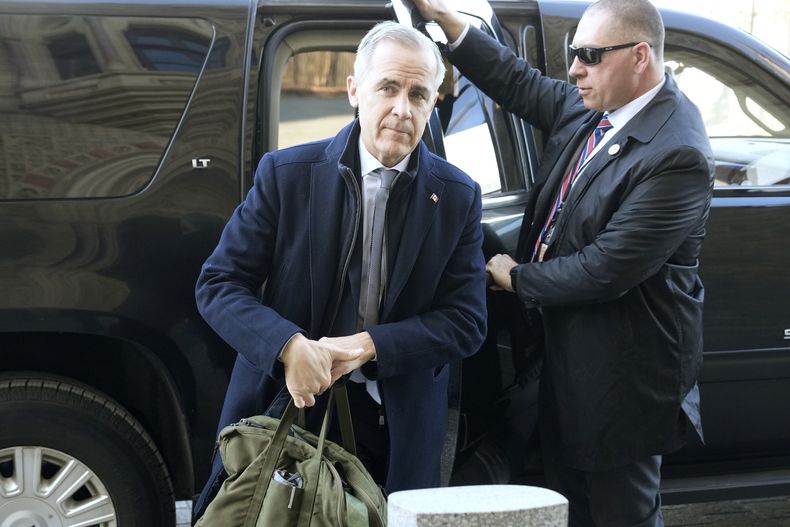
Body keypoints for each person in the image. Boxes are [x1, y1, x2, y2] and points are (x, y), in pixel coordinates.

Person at [412, 0, 714, 525]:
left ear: (640, 56)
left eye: (590, 56)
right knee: (567, 506)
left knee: (620, 515)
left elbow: (604, 269)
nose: (574, 69)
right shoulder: (600, 102)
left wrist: (516, 277)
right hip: (564, 364)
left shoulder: (678, 154)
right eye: (575, 53)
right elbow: (520, 83)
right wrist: (447, 20)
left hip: (623, 386)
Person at [192, 20, 487, 517]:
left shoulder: (457, 196)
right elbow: (219, 284)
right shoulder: (285, 176)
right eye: (388, 87)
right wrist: (288, 346)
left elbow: (467, 320)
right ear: (355, 90)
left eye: (418, 94)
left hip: (396, 421)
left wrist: (370, 346)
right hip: (286, 407)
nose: (401, 108)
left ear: (433, 103)